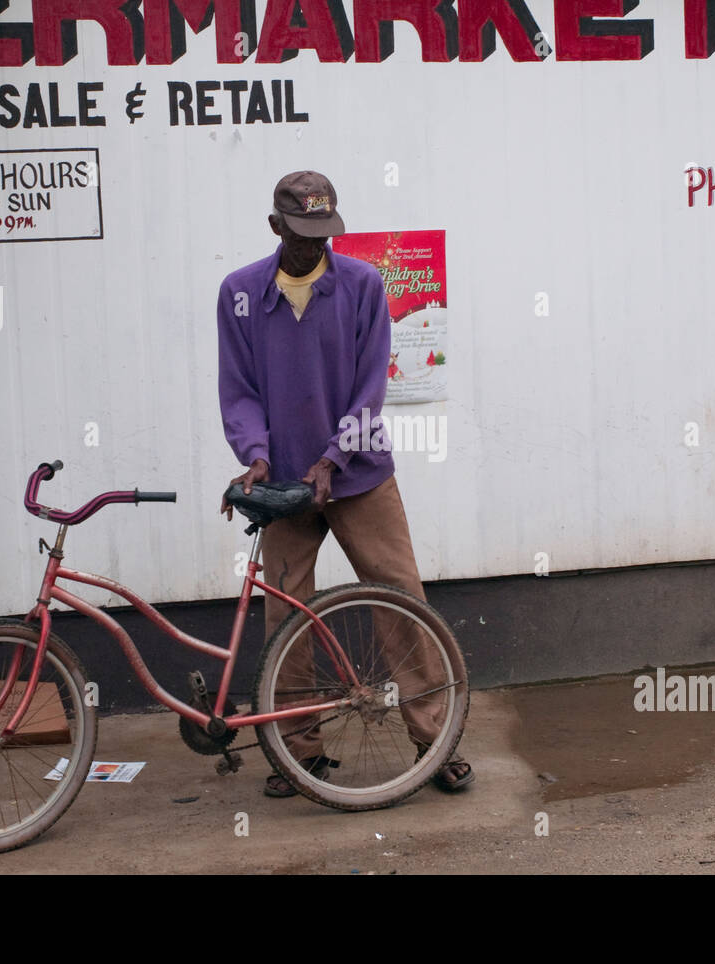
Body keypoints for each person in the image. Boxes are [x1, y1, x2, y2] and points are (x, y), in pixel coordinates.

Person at [216, 170, 473, 797]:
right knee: (287, 615)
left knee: (400, 595)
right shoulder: (240, 293)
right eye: (301, 234)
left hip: (356, 474)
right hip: (282, 483)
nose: (314, 247)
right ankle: (297, 752)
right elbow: (239, 390)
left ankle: (432, 739)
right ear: (275, 226)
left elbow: (369, 388)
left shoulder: (362, 284)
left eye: (323, 234)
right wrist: (253, 456)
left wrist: (333, 458)